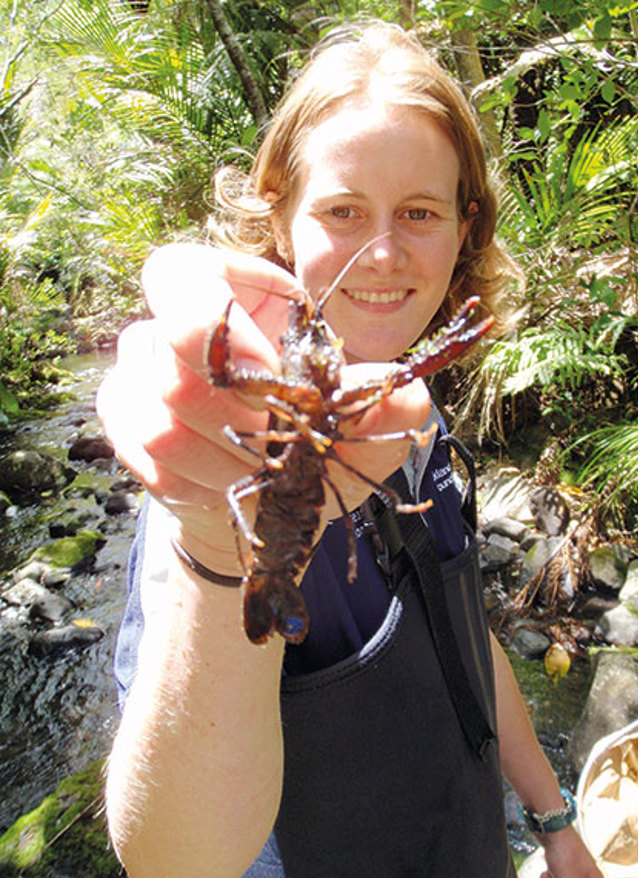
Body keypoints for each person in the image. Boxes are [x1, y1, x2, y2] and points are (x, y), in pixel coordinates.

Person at [98, 21, 603, 878]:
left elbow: (466, 638)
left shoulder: (418, 415)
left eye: (419, 212)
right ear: (280, 219)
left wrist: (555, 818)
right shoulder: (215, 467)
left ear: (462, 226)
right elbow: (172, 861)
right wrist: (215, 542)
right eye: (341, 210)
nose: (381, 252)